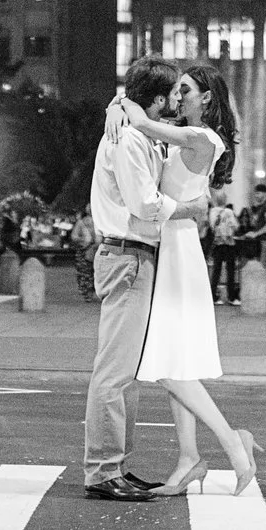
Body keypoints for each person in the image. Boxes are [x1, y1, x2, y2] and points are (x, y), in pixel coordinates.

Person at [117, 65, 263, 497]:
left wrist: (121, 104)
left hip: (177, 251)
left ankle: (232, 441)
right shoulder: (184, 133)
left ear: (208, 98)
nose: (177, 96)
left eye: (185, 90)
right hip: (169, 244)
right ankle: (187, 459)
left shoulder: (205, 139)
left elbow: (141, 121)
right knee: (172, 359)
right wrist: (119, 105)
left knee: (164, 366)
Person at [81, 53, 187, 502]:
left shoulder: (137, 129)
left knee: (127, 373)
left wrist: (119, 101)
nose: (180, 99)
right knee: (114, 372)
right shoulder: (128, 139)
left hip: (137, 257)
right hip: (128, 257)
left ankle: (115, 466)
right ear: (159, 99)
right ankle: (103, 471)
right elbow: (144, 204)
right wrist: (188, 210)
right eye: (176, 93)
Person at [207, 191, 242, 304]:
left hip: (218, 243)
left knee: (217, 271)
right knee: (230, 271)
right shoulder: (229, 211)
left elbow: (212, 226)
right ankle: (231, 297)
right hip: (229, 243)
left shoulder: (212, 212)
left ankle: (213, 297)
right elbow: (236, 226)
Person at [69, 208, 99, 303]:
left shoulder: (99, 221)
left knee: (94, 272)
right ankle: (88, 293)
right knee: (85, 272)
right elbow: (74, 236)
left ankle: (90, 292)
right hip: (85, 249)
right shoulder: (81, 223)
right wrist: (83, 239)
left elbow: (74, 236)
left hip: (95, 249)